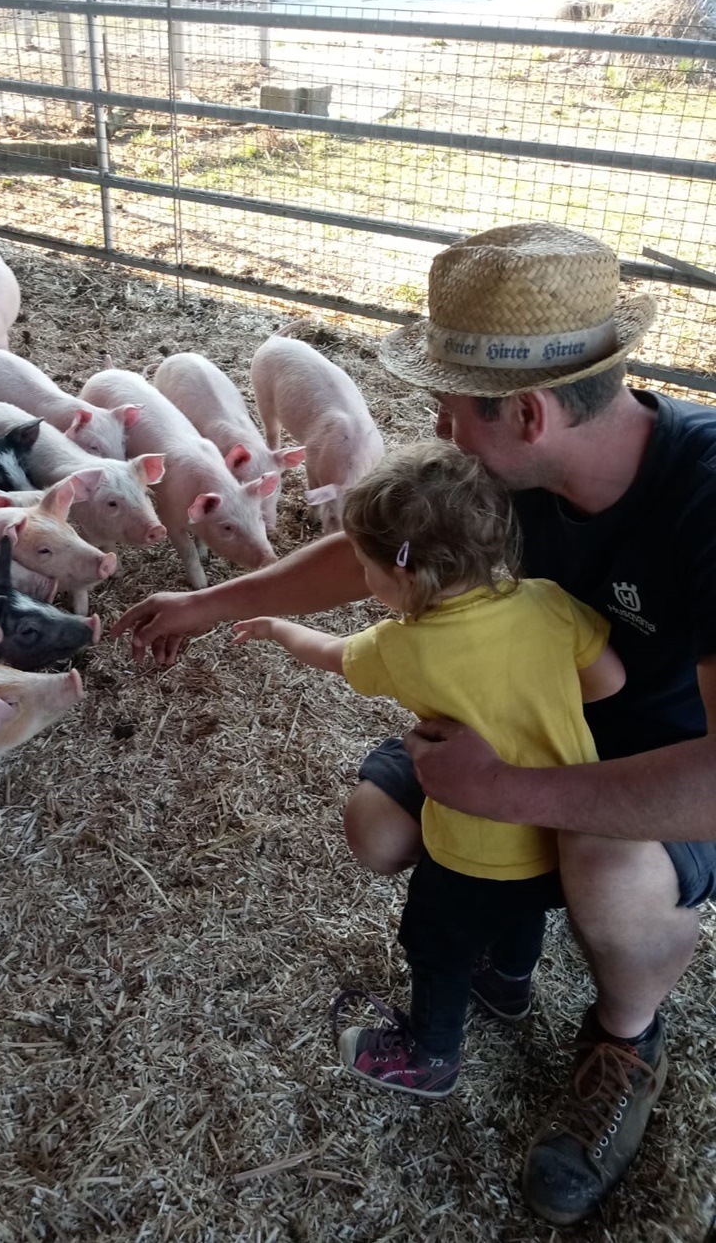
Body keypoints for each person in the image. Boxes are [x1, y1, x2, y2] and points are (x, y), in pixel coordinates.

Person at [111, 221, 716, 1226]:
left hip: (656, 759)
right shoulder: (505, 475)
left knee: (604, 866)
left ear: (526, 413)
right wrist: (212, 603)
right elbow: (377, 554)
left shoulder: (703, 500)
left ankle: (623, 1034)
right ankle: (505, 947)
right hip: (509, 723)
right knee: (377, 824)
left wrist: (508, 789)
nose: (434, 426)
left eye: (447, 407)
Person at [230, 438, 624, 1099]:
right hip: (558, 830)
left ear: (405, 576)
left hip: (471, 851)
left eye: (365, 566)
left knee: (437, 943)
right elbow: (607, 680)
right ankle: (507, 984)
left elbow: (330, 652)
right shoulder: (548, 601)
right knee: (521, 909)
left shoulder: (401, 646)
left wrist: (275, 628)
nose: (363, 578)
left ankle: (429, 1054)